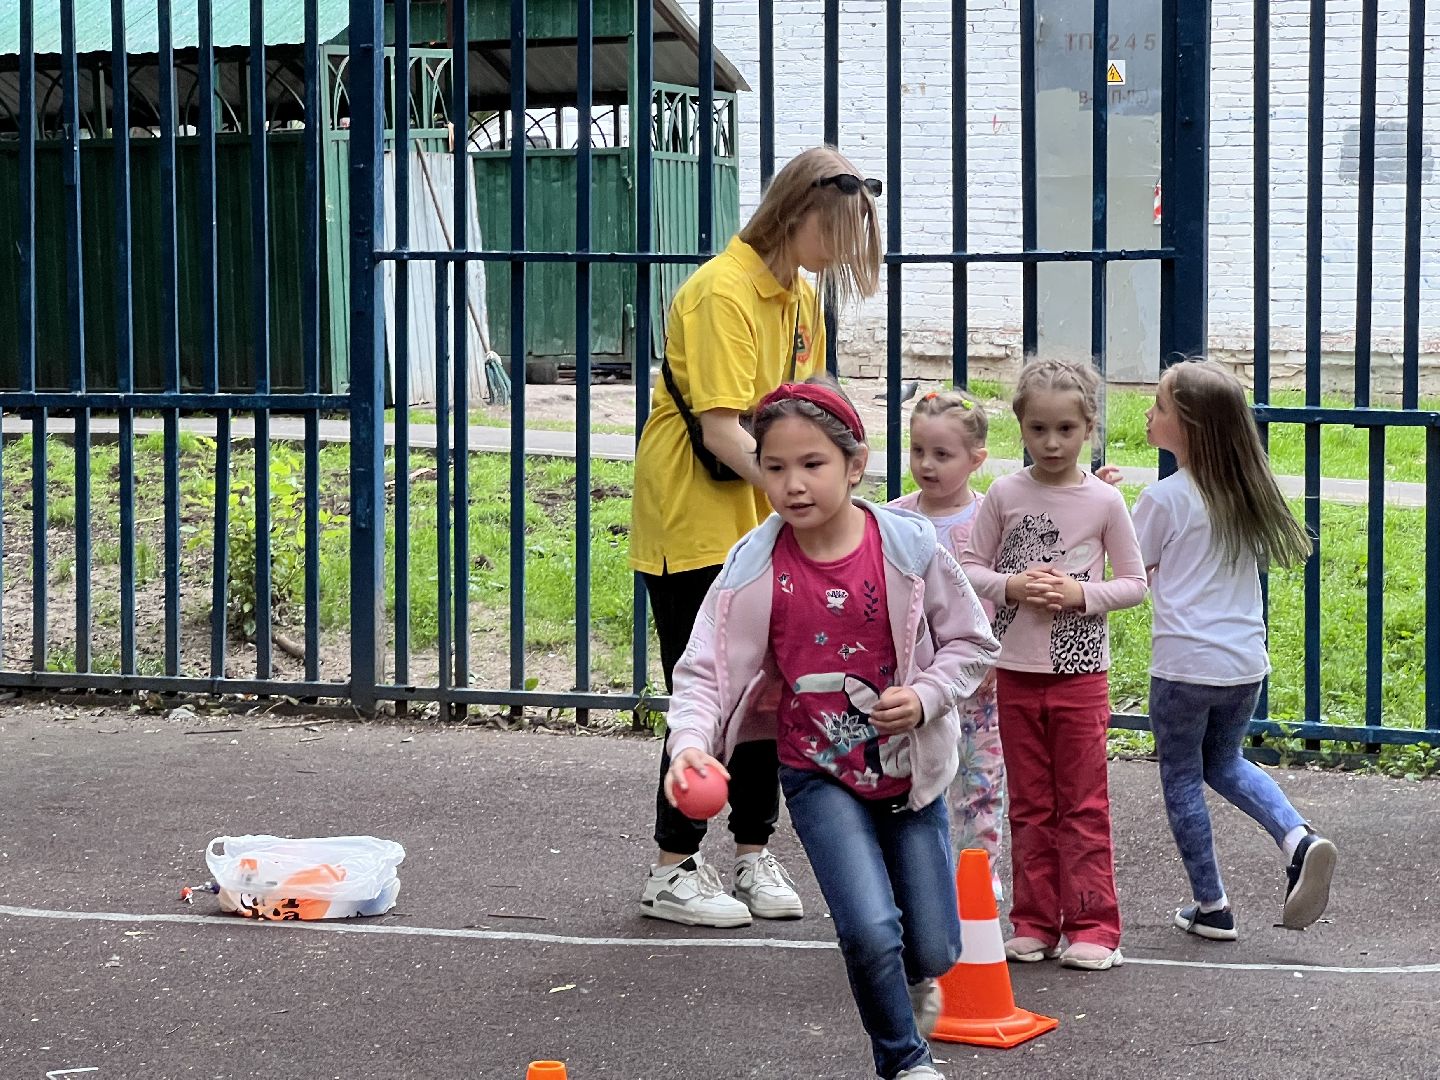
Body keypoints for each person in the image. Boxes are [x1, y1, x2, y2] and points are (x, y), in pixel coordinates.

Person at [664, 380, 999, 1080]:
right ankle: (904, 1062)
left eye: (812, 464)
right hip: (818, 773)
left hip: (911, 772)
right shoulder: (754, 566)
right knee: (870, 929)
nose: (791, 484)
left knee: (933, 945)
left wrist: (927, 694)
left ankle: (916, 980)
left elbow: (973, 643)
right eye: (774, 466)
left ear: (854, 464)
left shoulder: (908, 546)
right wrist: (690, 745)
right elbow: (705, 672)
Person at [630, 147, 883, 928]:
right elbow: (719, 429)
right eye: (836, 233)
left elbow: (802, 402)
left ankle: (749, 852)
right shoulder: (720, 293)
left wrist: (827, 469)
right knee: (708, 693)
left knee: (772, 690)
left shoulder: (798, 297)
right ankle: (673, 866)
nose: (842, 252)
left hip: (763, 513)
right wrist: (806, 494)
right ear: (795, 213)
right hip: (695, 519)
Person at [1133, 358, 1338, 940]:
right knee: (1224, 761)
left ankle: (1212, 905)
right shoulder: (1245, 493)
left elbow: (1127, 573)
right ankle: (1298, 838)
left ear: (1190, 427)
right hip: (1243, 664)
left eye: (1161, 406)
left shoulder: (1164, 498)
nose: (1150, 413)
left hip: (1182, 667)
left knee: (1179, 775)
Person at [960, 357, 1146, 972]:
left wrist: (1079, 595)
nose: (1052, 442)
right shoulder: (1006, 495)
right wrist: (1011, 587)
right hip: (1013, 673)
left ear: (1089, 427)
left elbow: (1134, 584)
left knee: (1084, 803)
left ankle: (1095, 926)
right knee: (1031, 804)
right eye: (1038, 429)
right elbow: (971, 569)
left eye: (1066, 429)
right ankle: (1034, 923)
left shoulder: (1104, 501)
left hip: (1082, 677)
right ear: (1020, 426)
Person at [888, 389, 1006, 898]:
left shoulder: (991, 519)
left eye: (942, 454)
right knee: (913, 774)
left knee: (982, 776)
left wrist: (999, 652)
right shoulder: (894, 518)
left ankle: (979, 871)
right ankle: (918, 870)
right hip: (914, 681)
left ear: (975, 459)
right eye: (917, 451)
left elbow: (1005, 593)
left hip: (976, 678)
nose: (926, 464)